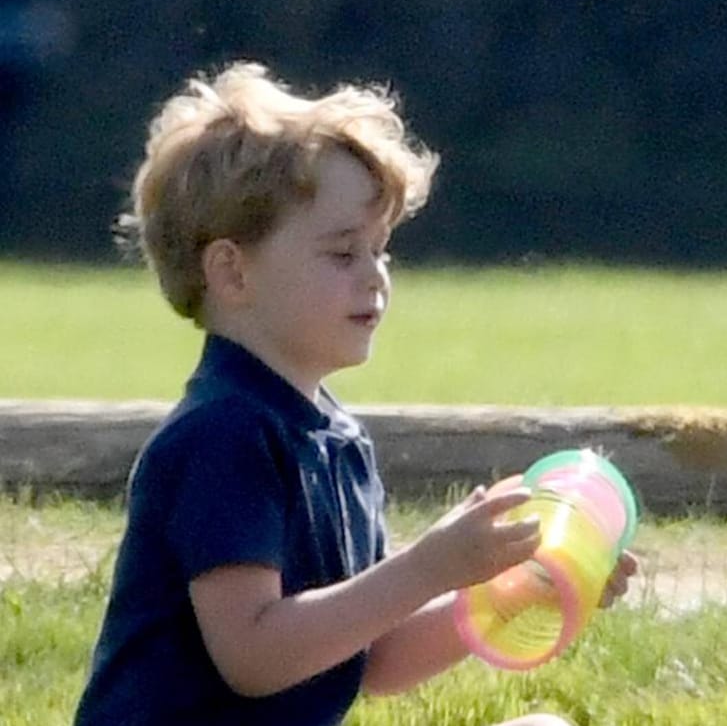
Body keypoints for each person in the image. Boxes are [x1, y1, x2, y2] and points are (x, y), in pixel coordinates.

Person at [74, 63, 636, 726]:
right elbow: (254, 653)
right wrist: (426, 567)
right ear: (232, 270)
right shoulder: (223, 435)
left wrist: (511, 586)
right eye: (343, 254)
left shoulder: (337, 440)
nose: (375, 276)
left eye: (382, 250)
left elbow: (376, 657)